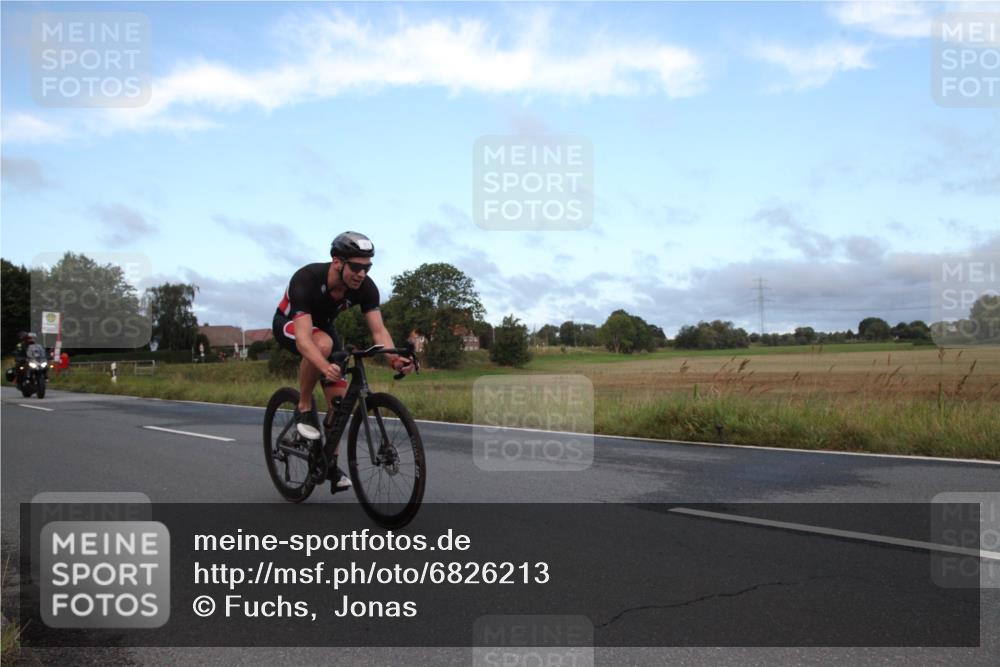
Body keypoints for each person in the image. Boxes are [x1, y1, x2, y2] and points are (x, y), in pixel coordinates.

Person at [272, 231, 415, 493]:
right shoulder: (307, 279)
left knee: (339, 404)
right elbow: (305, 340)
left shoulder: (366, 288)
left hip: (324, 329)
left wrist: (395, 358)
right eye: (356, 267)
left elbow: (379, 331)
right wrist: (325, 365)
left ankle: (329, 464)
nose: (362, 274)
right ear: (337, 261)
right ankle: (303, 404)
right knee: (322, 345)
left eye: (367, 267)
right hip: (291, 324)